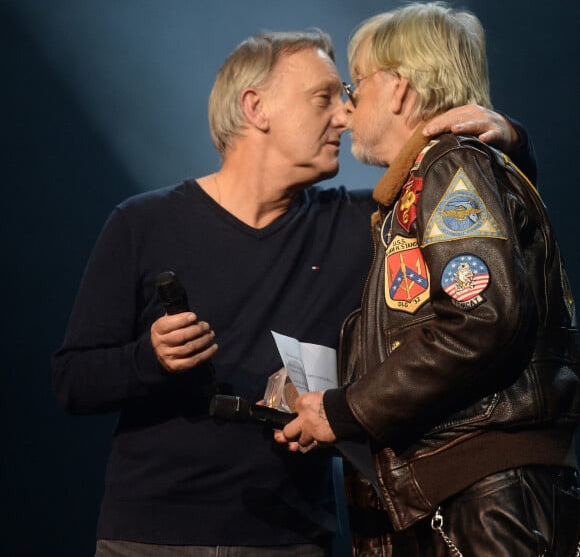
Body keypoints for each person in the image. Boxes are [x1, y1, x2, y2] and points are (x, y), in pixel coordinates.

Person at [52, 28, 535, 556]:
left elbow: (491, 236)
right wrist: (151, 357)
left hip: (290, 537)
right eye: (323, 97)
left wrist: (508, 138)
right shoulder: (142, 223)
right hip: (149, 535)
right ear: (256, 107)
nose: (345, 115)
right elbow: (73, 380)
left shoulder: (365, 225)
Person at [275, 3, 580, 556]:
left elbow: (481, 320)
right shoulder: (430, 181)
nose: (348, 105)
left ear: (398, 89)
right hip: (474, 496)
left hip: (485, 501)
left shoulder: (451, 165)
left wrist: (346, 409)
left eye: (357, 84)